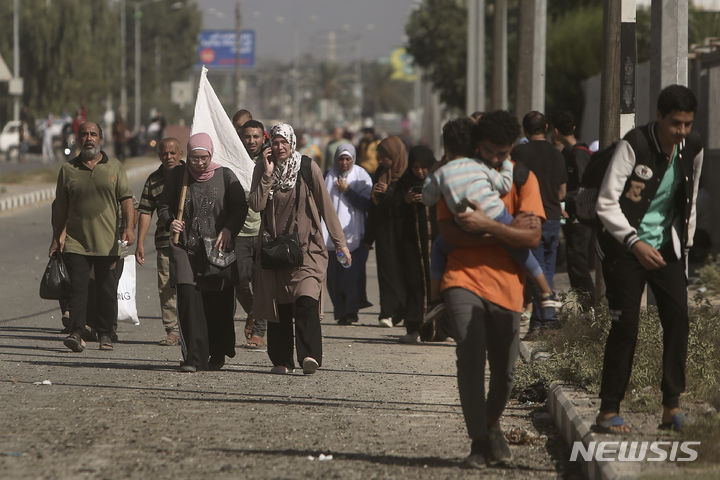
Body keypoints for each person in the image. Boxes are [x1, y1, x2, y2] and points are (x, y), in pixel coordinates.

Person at [438, 111, 545, 468]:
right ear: (477, 145)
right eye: (489, 151)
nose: (495, 159)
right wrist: (504, 231)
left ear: (512, 148)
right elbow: (449, 233)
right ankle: (479, 442)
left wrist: (484, 226)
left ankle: (491, 423)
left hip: (508, 286)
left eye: (502, 153)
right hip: (462, 278)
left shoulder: (523, 178)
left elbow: (531, 237)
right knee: (469, 355)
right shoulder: (459, 174)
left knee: (506, 372)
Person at [594, 85, 703, 434]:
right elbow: (606, 203)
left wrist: (683, 248)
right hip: (625, 248)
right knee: (625, 327)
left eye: (686, 124)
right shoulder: (635, 145)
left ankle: (671, 407)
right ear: (659, 117)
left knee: (678, 319)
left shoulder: (693, 149)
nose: (681, 131)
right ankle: (608, 410)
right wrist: (633, 242)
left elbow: (689, 202)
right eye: (675, 124)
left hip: (666, 249)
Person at [249, 122, 350, 375]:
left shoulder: (306, 167)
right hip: (275, 250)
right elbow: (257, 204)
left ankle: (309, 355)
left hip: (307, 250)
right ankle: (282, 360)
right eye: (275, 141)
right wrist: (268, 175)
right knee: (280, 306)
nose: (280, 146)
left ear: (292, 142)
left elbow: (326, 207)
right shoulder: (263, 167)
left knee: (306, 299)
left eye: (284, 141)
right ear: (269, 143)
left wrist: (340, 244)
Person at [158, 133, 248, 372]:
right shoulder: (179, 176)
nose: (199, 163)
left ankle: (216, 353)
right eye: (194, 158)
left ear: (211, 154)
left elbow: (240, 207)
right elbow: (164, 205)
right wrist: (170, 223)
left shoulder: (225, 176)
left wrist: (229, 228)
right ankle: (193, 357)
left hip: (216, 249)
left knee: (217, 302)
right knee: (189, 299)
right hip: (185, 248)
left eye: (203, 157)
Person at [49, 122, 135, 352]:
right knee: (78, 288)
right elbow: (60, 207)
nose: (89, 138)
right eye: (84, 134)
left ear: (101, 139)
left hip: (108, 243)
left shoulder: (115, 167)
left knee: (106, 290)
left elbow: (126, 200)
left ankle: (106, 332)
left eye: (93, 134)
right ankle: (77, 332)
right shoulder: (68, 170)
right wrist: (57, 237)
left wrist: (129, 228)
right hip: (77, 242)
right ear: (78, 139)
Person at [511, 111, 567, 337]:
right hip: (553, 215)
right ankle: (540, 323)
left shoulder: (518, 153)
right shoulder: (557, 153)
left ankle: (546, 319)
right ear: (546, 127)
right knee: (547, 268)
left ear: (525, 129)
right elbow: (562, 190)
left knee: (535, 268)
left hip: (529, 215)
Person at [136, 138, 183, 346]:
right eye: (165, 154)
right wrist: (139, 243)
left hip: (190, 244)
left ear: (180, 154)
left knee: (191, 286)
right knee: (166, 286)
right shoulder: (153, 180)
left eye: (173, 153)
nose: (169, 157)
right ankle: (172, 330)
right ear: (159, 156)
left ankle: (192, 326)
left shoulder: (190, 175)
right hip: (164, 243)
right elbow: (145, 211)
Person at [322, 144, 373, 325]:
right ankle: (341, 311)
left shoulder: (361, 176)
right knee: (334, 278)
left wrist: (348, 191)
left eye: (348, 159)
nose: (344, 163)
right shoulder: (327, 176)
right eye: (341, 159)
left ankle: (350, 311)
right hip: (331, 238)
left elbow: (367, 203)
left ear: (353, 159)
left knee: (350, 276)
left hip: (355, 236)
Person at [549, 111, 595, 304]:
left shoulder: (579, 154)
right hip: (571, 217)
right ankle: (585, 308)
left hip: (581, 219)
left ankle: (591, 308)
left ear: (556, 131)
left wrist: (562, 197)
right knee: (573, 265)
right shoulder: (566, 154)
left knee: (579, 265)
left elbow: (586, 188)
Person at [364, 136, 408, 328]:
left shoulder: (407, 175)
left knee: (403, 272)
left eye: (385, 158)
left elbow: (405, 202)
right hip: (383, 229)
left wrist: (389, 192)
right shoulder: (380, 173)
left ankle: (403, 310)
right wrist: (369, 236)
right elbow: (372, 208)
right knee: (386, 271)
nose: (381, 161)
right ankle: (387, 312)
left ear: (395, 156)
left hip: (402, 231)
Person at [396, 145, 438, 344]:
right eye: (415, 168)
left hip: (436, 246)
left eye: (424, 168)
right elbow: (392, 212)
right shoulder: (404, 183)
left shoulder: (439, 182)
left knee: (437, 285)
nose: (420, 172)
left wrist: (431, 201)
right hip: (412, 246)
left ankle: (438, 330)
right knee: (414, 286)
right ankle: (414, 328)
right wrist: (405, 200)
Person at [236, 118, 268, 348]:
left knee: (262, 283)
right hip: (238, 232)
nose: (251, 141)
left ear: (263, 137)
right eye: (247, 136)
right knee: (238, 280)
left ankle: (259, 332)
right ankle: (254, 312)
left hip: (263, 232)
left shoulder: (269, 161)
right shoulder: (232, 161)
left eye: (256, 136)